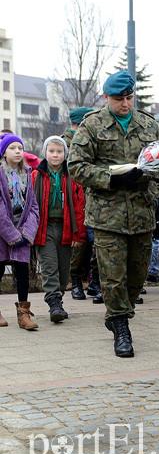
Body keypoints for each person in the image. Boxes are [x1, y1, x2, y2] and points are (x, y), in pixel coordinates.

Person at [69, 70, 159, 358]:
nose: (125, 104)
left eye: (129, 98)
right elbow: (77, 167)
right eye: (119, 98)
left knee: (137, 276)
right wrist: (111, 178)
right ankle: (121, 327)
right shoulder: (92, 126)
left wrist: (155, 190)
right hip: (107, 217)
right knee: (112, 277)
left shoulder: (147, 125)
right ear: (106, 97)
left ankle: (121, 313)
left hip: (142, 213)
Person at [32, 136, 86, 323]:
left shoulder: (72, 177)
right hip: (44, 228)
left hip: (66, 228)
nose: (55, 155)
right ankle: (54, 304)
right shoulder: (36, 176)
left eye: (59, 151)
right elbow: (30, 206)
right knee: (49, 267)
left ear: (65, 154)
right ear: (45, 153)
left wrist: (78, 233)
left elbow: (79, 207)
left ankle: (58, 299)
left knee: (64, 271)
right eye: (51, 151)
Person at [0, 134, 40, 330]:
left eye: (19, 148)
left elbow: (33, 206)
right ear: (3, 153)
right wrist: (11, 235)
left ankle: (23, 314)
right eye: (12, 148)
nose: (17, 151)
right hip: (3, 232)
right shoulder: (0, 174)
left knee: (23, 272)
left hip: (22, 232)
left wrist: (27, 233)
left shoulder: (27, 174)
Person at [64, 107, 93, 301]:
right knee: (78, 240)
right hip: (73, 195)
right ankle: (74, 280)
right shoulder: (66, 142)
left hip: (89, 194)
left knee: (91, 241)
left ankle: (86, 280)